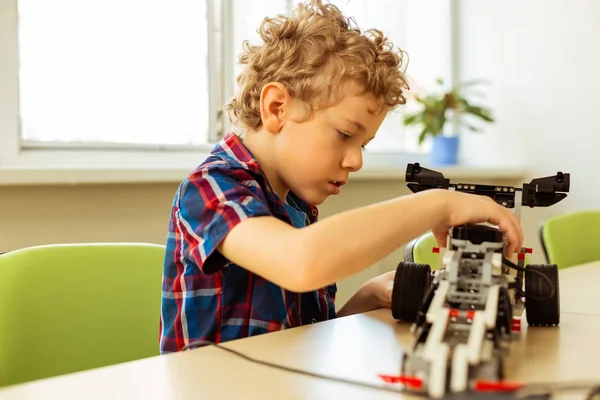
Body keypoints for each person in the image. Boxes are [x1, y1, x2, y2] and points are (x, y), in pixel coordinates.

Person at [159, 0, 523, 353]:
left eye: (364, 144)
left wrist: (366, 297)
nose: (355, 161)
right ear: (276, 108)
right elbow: (299, 263)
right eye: (346, 135)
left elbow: (300, 343)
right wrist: (438, 205)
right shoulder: (210, 190)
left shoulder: (295, 207)